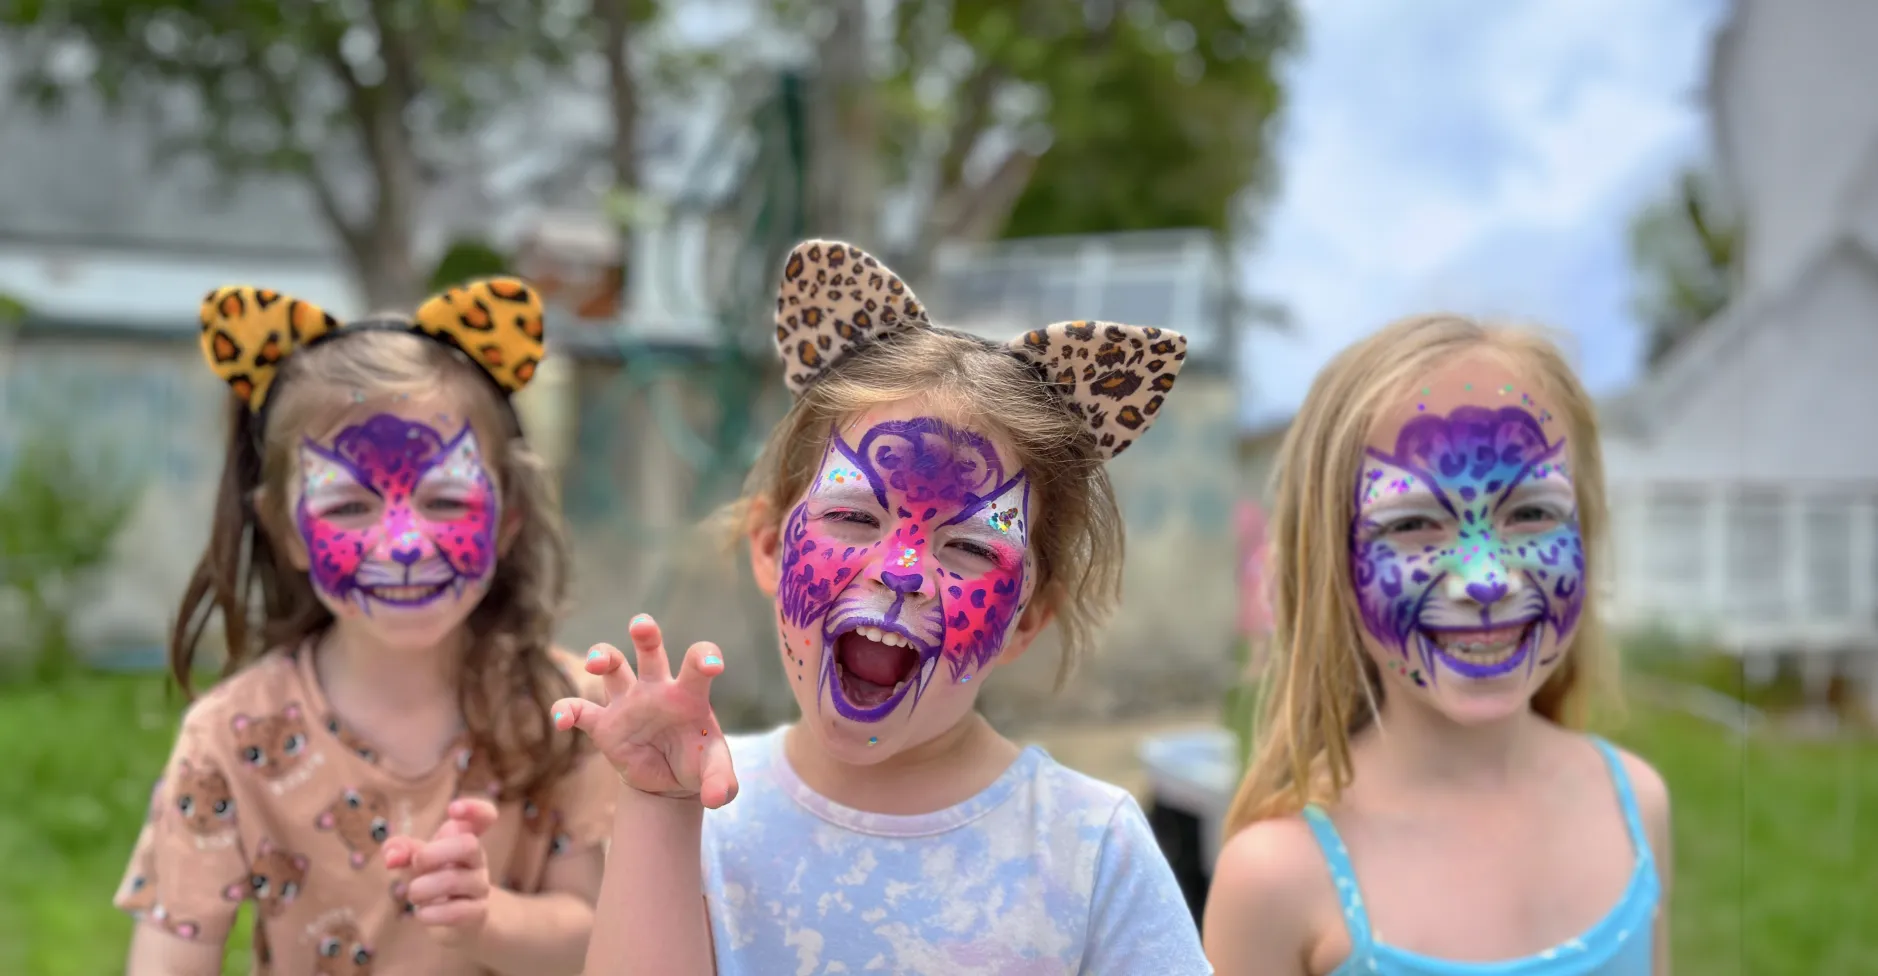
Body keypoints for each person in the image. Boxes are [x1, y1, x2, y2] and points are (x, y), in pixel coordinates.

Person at [552, 239, 1213, 975]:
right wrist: (653, 807)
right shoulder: (702, 806)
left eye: (966, 549)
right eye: (855, 519)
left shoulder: (1091, 850)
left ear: (1024, 621)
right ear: (770, 547)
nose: (901, 573)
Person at [116, 280, 617, 976]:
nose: (404, 544)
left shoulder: (567, 710)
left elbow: (602, 943)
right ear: (286, 531)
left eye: (446, 500)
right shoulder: (232, 736)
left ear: (509, 520)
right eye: (349, 506)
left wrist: (485, 921)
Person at [1201, 315, 1672, 975]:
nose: (1486, 579)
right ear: (1330, 562)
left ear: (1585, 531)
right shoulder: (1277, 879)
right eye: (1415, 523)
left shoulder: (1636, 807)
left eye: (1531, 512)